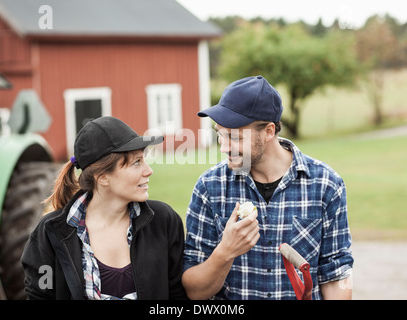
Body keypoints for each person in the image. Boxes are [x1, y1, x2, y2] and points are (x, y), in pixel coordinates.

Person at [182, 76, 353, 300]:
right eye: (219, 134)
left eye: (234, 136)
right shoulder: (209, 187)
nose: (223, 146)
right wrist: (226, 251)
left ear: (269, 131)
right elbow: (194, 291)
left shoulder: (326, 185)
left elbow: (337, 275)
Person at [21, 116, 187, 300]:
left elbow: (177, 296)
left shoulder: (164, 222)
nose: (148, 170)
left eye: (144, 160)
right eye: (136, 163)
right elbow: (39, 296)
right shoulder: (49, 233)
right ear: (102, 178)